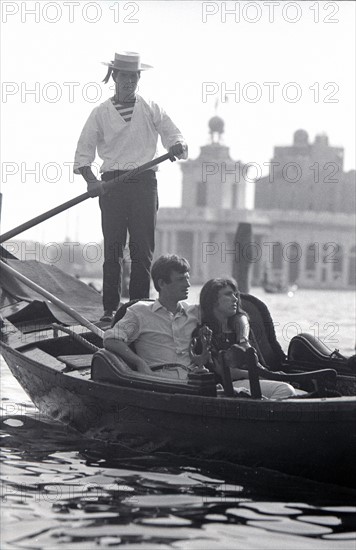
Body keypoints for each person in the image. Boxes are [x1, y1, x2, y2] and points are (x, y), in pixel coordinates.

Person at [74, 51, 188, 322]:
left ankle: (139, 308)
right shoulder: (100, 113)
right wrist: (93, 182)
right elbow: (82, 157)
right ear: (114, 76)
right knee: (113, 250)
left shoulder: (151, 107)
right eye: (124, 75)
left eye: (133, 76)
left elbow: (175, 136)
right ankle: (110, 309)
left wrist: (177, 145)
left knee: (141, 250)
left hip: (144, 183)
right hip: (111, 185)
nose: (128, 81)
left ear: (138, 78)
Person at [103, 254, 208, 378]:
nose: (188, 284)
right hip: (158, 381)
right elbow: (111, 339)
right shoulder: (140, 312)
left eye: (187, 278)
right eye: (181, 279)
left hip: (193, 381)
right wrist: (139, 362)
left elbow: (222, 307)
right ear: (162, 283)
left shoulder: (194, 312)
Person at [197, 278, 300, 399]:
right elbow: (225, 372)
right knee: (285, 390)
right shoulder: (205, 333)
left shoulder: (242, 330)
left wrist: (271, 375)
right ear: (213, 300)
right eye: (228, 294)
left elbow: (258, 363)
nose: (235, 299)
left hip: (253, 379)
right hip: (229, 385)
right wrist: (262, 376)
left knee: (299, 392)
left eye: (235, 295)